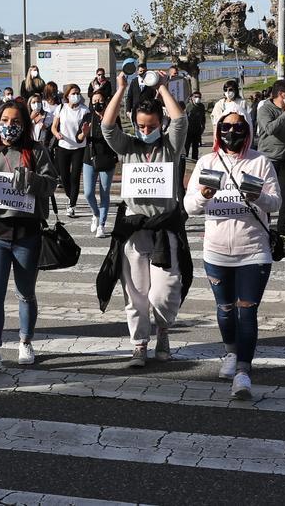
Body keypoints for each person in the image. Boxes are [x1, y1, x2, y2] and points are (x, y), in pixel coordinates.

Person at [184, 105, 282, 400]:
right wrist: (202, 196)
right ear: (217, 131)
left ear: (248, 131)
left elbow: (275, 203)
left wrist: (258, 196)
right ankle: (230, 352)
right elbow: (188, 208)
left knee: (247, 312)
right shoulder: (206, 162)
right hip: (216, 252)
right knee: (225, 310)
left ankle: (243, 371)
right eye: (226, 127)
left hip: (253, 251)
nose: (232, 133)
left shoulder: (261, 162)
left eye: (239, 127)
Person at [100, 71, 189, 367]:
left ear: (159, 124)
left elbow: (180, 122)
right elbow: (107, 127)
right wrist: (121, 89)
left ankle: (163, 328)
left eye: (150, 126)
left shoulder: (169, 147)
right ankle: (139, 344)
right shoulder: (129, 147)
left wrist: (163, 88)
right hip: (134, 231)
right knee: (136, 293)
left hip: (164, 230)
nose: (145, 130)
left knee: (163, 292)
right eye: (140, 126)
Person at [0, 100, 58, 372]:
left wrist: (31, 180)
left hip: (27, 233)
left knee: (25, 293)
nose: (9, 126)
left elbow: (51, 185)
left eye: (15, 121)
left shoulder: (37, 151)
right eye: (4, 120)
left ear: (25, 124)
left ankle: (25, 341)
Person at [256, 80, 285, 237]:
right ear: (282, 94)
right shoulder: (265, 108)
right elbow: (269, 128)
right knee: (264, 195)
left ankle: (282, 233)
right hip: (268, 158)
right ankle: (264, 228)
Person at [51, 83, 89, 217]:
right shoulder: (61, 108)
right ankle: (70, 196)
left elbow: (85, 131)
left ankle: (72, 205)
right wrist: (57, 134)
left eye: (78, 93)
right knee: (64, 176)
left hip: (79, 148)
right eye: (73, 93)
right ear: (67, 95)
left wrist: (84, 133)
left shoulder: (85, 110)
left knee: (75, 177)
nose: (76, 96)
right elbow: (54, 127)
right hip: (63, 146)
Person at [83, 89, 116, 237]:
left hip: (107, 158)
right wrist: (83, 133)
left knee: (104, 193)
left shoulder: (112, 116)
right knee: (88, 193)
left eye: (100, 100)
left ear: (106, 101)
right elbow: (79, 138)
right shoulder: (88, 116)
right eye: (94, 101)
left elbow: (118, 136)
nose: (97, 103)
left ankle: (101, 225)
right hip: (90, 157)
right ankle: (95, 214)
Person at [184, 91, 206, 160]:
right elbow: (184, 118)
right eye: (196, 97)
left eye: (199, 97)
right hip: (188, 131)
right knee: (186, 147)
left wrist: (203, 126)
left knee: (195, 147)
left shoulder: (201, 106)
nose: (197, 98)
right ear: (192, 98)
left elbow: (203, 117)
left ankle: (195, 161)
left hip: (197, 130)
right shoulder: (188, 107)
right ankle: (185, 160)